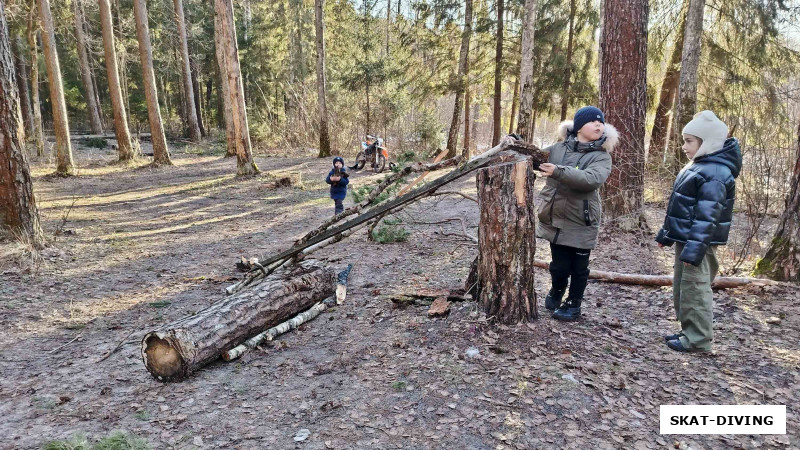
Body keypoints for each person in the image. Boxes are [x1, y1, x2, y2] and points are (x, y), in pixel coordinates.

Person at [656, 110, 741, 353]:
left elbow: (707, 218)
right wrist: (667, 234)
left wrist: (694, 251)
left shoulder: (715, 173)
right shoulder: (699, 166)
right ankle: (688, 331)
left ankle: (698, 339)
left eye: (689, 141)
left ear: (709, 142)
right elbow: (680, 207)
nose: (684, 146)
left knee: (695, 289)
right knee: (683, 288)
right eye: (685, 140)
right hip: (688, 240)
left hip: (699, 244)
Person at [535, 106, 618, 321]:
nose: (598, 125)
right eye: (593, 121)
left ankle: (573, 304)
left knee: (579, 268)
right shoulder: (559, 149)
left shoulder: (602, 156)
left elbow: (591, 180)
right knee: (559, 265)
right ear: (579, 126)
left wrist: (558, 171)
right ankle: (557, 289)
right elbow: (537, 157)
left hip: (582, 219)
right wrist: (519, 145)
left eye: (601, 122)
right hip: (556, 216)